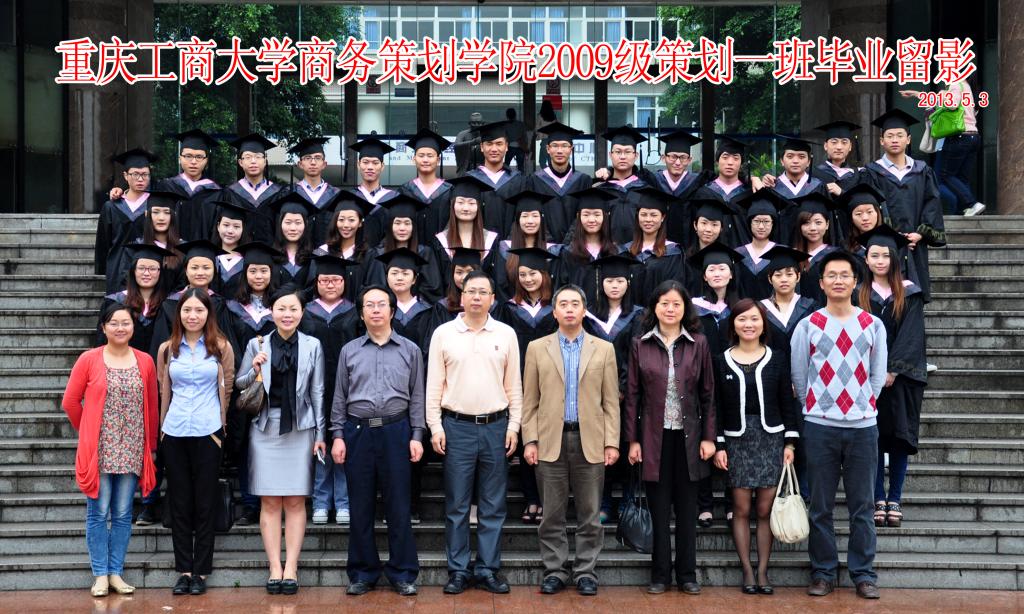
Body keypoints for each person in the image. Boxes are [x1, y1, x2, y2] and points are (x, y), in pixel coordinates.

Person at [791, 251, 887, 600]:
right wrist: (816, 407)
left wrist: (863, 405)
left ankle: (863, 574)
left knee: (863, 506)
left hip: (863, 427)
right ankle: (823, 572)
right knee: (820, 506)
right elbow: (800, 375)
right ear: (821, 283)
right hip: (820, 426)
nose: (838, 281)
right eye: (831, 275)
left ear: (855, 281)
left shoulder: (872, 325)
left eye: (845, 275)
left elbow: (877, 376)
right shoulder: (808, 325)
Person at [426, 271, 523, 595]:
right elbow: (434, 385)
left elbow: (514, 386)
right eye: (471, 291)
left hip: (496, 427)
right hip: (457, 427)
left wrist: (514, 426)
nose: (477, 297)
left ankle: (487, 569)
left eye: (483, 292)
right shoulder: (444, 334)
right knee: (457, 505)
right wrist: (435, 426)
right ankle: (458, 570)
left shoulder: (506, 334)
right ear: (462, 296)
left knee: (493, 505)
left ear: (493, 298)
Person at [522, 284, 620, 596]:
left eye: (575, 304)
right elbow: (530, 401)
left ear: (584, 310)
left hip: (590, 440)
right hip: (550, 440)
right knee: (552, 513)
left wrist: (611, 442)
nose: (568, 309)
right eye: (562, 304)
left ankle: (585, 572)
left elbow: (611, 403)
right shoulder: (537, 348)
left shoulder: (603, 349)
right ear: (554, 311)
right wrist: (530, 440)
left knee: (590, 514)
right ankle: (555, 570)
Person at [331, 285, 426, 597]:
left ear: (392, 311)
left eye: (381, 304)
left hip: (396, 431)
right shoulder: (349, 351)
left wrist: (416, 435)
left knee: (399, 505)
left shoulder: (410, 350)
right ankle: (363, 572)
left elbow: (417, 397)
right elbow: (339, 397)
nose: (375, 310)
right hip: (357, 432)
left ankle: (403, 572)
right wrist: (337, 435)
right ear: (361, 313)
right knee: (360, 506)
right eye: (369, 305)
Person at [624, 280, 716, 595]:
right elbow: (632, 396)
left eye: (676, 304)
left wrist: (709, 437)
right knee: (659, 510)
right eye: (664, 303)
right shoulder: (640, 344)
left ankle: (687, 574)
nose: (670, 309)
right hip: (654, 438)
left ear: (685, 308)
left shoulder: (698, 343)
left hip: (689, 439)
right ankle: (660, 574)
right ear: (655, 307)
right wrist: (633, 440)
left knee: (688, 511)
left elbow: (708, 395)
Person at [63, 303, 160, 597]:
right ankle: (100, 575)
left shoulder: (145, 361)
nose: (120, 328)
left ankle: (116, 572)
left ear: (133, 327)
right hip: (100, 449)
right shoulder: (89, 359)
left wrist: (151, 447)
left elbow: (152, 406)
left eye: (125, 323)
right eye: (114, 323)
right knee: (98, 512)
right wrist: (87, 431)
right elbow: (70, 402)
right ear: (104, 328)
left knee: (122, 513)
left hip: (132, 447)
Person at [235, 286, 326, 596]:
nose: (287, 314)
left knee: (296, 500)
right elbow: (240, 384)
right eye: (281, 309)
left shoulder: (313, 345)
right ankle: (275, 566)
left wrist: (321, 434)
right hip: (266, 428)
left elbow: (318, 391)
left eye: (293, 309)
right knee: (270, 501)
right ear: (271, 312)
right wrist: (255, 369)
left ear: (302, 312)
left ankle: (292, 568)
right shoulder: (257, 343)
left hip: (301, 428)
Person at [712, 299, 799, 595]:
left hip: (770, 438)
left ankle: (762, 570)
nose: (748, 325)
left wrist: (790, 442)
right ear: (733, 325)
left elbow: (787, 402)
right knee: (741, 508)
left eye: (754, 319)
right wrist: (719, 444)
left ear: (763, 324)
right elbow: (716, 407)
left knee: (764, 509)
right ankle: (747, 570)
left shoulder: (777, 358)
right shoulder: (720, 360)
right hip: (736, 440)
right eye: (742, 319)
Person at [155, 287, 235, 596]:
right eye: (187, 310)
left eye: (199, 310)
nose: (193, 315)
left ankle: (200, 571)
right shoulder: (167, 349)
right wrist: (162, 431)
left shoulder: (220, 347)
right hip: (175, 431)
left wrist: (220, 428)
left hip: (208, 431)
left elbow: (227, 387)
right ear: (179, 314)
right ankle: (184, 571)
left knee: (205, 502)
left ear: (208, 314)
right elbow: (163, 387)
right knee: (179, 502)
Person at [857, 226, 927, 529]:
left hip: (902, 378)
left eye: (886, 255)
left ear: (895, 258)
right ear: (866, 259)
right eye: (874, 255)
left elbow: (912, 335)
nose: (880, 261)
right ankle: (877, 497)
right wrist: (874, 372)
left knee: (899, 438)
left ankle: (894, 497)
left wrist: (892, 369)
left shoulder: (909, 292)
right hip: (865, 378)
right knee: (871, 438)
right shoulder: (858, 293)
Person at [495, 247, 559, 525]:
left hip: (552, 383)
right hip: (519, 382)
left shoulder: (556, 308)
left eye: (533, 273)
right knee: (525, 441)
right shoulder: (508, 308)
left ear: (544, 274)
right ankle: (531, 498)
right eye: (522, 274)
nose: (528, 279)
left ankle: (547, 499)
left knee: (549, 442)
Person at [299, 255, 361, 526]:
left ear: (344, 282)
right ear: (316, 282)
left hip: (348, 385)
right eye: (324, 280)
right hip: (312, 386)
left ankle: (344, 501)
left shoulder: (354, 311)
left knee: (342, 440)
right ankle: (321, 501)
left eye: (335, 280)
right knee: (319, 440)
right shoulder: (305, 311)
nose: (330, 284)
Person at [224, 241, 283, 525]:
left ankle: (274, 500)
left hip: (278, 386)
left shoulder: (281, 307)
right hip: (246, 386)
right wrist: (247, 369)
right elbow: (229, 344)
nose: (258, 276)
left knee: (275, 444)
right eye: (253, 271)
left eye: (264, 271)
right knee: (247, 445)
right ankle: (250, 503)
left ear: (272, 273)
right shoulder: (233, 308)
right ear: (244, 273)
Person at [582, 255, 644, 522]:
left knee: (629, 444)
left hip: (628, 394)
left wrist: (622, 387)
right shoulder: (588, 316)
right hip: (595, 394)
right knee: (599, 447)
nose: (615, 286)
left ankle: (629, 499)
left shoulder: (638, 315)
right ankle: (604, 501)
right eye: (609, 281)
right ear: (601, 282)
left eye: (619, 280)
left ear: (628, 282)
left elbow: (637, 355)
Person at [862, 108, 946, 302]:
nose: (895, 140)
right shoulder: (871, 172)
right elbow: (872, 206)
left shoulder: (922, 171)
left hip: (916, 244)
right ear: (881, 141)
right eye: (890, 136)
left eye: (900, 135)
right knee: (883, 296)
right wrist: (893, 236)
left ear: (908, 139)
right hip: (884, 245)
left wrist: (920, 233)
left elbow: (932, 203)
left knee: (914, 296)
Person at [899, 81, 986, 216]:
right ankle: (964, 209)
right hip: (972, 137)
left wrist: (942, 94)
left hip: (959, 136)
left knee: (945, 175)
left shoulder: (955, 84)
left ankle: (972, 203)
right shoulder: (966, 86)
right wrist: (917, 94)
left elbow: (952, 105)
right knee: (961, 178)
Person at [94, 148, 158, 293]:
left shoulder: (156, 206)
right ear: (125, 176)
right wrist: (103, 269)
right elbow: (103, 242)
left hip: (148, 269)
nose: (140, 179)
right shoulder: (111, 207)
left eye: (145, 174)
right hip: (117, 268)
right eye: (135, 174)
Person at [363, 194, 444, 304]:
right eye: (397, 223)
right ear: (390, 226)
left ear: (413, 227)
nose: (402, 228)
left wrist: (409, 304)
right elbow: (374, 288)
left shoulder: (424, 253)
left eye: (407, 223)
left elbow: (432, 291)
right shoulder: (377, 254)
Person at [97, 244, 173, 354]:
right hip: (122, 361)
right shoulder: (114, 302)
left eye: (152, 269)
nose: (146, 273)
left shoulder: (169, 305)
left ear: (160, 272)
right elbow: (102, 341)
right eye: (141, 268)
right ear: (134, 271)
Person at [528, 122, 593, 243]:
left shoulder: (583, 181)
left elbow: (585, 215)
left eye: (564, 146)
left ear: (571, 149)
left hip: (575, 246)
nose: (559, 150)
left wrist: (569, 244)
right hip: (545, 246)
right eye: (555, 146)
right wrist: (550, 245)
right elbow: (533, 215)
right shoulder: (535, 180)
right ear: (548, 149)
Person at [554, 187, 619, 306]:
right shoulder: (568, 253)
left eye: (597, 214)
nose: (591, 220)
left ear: (605, 216)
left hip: (608, 314)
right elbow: (561, 291)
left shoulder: (615, 253)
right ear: (578, 216)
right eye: (586, 214)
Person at [431, 175, 499, 286]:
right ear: (453, 205)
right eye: (460, 202)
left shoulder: (491, 240)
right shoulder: (441, 241)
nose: (466, 208)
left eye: (471, 203)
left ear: (478, 207)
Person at [622, 186, 686, 303]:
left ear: (662, 217)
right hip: (630, 312)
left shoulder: (673, 253)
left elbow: (675, 289)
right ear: (638, 216)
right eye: (644, 214)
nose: (648, 219)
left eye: (653, 215)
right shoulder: (625, 251)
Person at [464, 120, 525, 239]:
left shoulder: (518, 180)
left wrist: (508, 244)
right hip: (478, 244)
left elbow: (521, 216)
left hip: (510, 246)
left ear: (506, 147)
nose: (494, 149)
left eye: (499, 144)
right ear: (482, 147)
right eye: (489, 144)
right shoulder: (470, 180)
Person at [222, 133, 285, 244]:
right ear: (240, 162)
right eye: (248, 157)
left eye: (258, 156)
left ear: (265, 161)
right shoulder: (230, 192)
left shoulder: (278, 193)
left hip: (270, 252)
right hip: (240, 251)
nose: (253, 161)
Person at [311, 192, 374, 302]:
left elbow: (373, 289)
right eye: (341, 220)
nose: (346, 225)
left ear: (360, 223)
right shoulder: (321, 252)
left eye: (351, 220)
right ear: (335, 222)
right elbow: (312, 287)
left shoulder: (368, 255)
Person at [597, 126, 651, 245]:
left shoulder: (647, 190)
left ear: (636, 155)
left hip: (639, 251)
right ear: (610, 155)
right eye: (618, 152)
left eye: (627, 152)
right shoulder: (600, 190)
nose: (622, 156)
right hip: (608, 251)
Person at [734, 190, 789, 301]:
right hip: (744, 309)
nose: (761, 227)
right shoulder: (738, 254)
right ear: (750, 223)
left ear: (773, 224)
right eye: (757, 221)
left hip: (774, 309)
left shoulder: (782, 252)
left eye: (766, 221)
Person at [400, 128, 453, 240]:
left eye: (430, 156)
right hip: (412, 247)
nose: (425, 160)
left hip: (441, 248)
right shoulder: (405, 190)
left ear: (438, 160)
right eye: (421, 155)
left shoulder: (449, 190)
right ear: (414, 159)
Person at [348, 136, 399, 249]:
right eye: (365, 162)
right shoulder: (349, 197)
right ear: (358, 164)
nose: (370, 167)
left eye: (375, 163)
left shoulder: (393, 198)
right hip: (352, 257)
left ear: (382, 166)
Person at [288, 137, 340, 247]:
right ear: (300, 164)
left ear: (324, 164)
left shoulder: (336, 195)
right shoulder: (289, 193)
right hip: (298, 254)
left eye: (317, 158)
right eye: (307, 158)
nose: (313, 162)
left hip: (328, 254)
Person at [791, 192, 841, 305]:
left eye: (818, 222)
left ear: (827, 225)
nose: (813, 228)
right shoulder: (792, 255)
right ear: (800, 226)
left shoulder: (837, 256)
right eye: (806, 223)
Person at [270, 194, 318, 289]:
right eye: (288, 222)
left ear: (306, 224)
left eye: (298, 223)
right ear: (280, 224)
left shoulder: (314, 257)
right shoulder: (270, 255)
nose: (293, 228)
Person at [209, 200, 252, 301]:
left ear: (243, 229)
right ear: (218, 226)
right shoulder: (209, 258)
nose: (230, 231)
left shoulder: (248, 261)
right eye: (226, 225)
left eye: (236, 226)